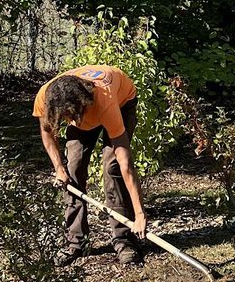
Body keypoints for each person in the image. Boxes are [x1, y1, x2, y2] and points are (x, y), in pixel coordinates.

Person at [33, 64, 148, 267]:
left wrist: (140, 215)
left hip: (122, 101)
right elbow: (47, 132)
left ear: (82, 105)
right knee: (73, 169)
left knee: (112, 168)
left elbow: (125, 163)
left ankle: (124, 240)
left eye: (70, 116)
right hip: (85, 109)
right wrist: (59, 169)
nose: (69, 121)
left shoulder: (105, 102)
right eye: (65, 117)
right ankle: (76, 242)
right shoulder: (46, 97)